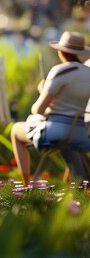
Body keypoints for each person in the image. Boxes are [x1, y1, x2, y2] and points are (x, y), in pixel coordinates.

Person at [11, 31, 90, 185]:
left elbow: (38, 110)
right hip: (80, 134)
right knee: (68, 143)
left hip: (57, 132)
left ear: (61, 52)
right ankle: (82, 186)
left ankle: (26, 184)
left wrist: (44, 90)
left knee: (15, 130)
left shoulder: (61, 71)